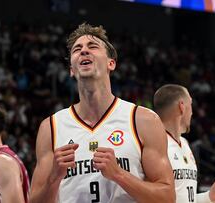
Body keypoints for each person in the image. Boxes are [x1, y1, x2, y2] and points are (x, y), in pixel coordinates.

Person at [30, 23, 175, 203]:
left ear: (111, 63)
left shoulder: (143, 120)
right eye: (77, 49)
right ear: (71, 69)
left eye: (92, 47)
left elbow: (167, 197)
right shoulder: (50, 127)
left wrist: (119, 174)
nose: (83, 51)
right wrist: (53, 178)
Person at [153, 84, 215, 203]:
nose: (192, 112)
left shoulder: (185, 143)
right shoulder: (155, 143)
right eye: (190, 104)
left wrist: (209, 196)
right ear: (182, 106)